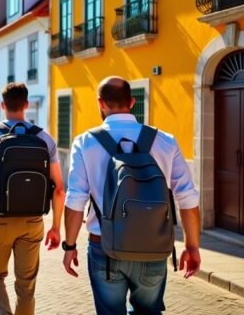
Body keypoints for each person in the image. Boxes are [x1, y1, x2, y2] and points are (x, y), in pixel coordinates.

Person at [62, 76, 201, 314]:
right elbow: (187, 198)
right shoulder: (165, 141)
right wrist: (192, 246)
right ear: (132, 102)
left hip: (103, 245)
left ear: (100, 103)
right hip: (153, 246)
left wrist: (70, 245)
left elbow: (76, 198)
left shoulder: (85, 142)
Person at [0, 82, 65, 315]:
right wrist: (56, 227)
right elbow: (59, 189)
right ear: (26, 105)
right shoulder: (44, 138)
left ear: (3, 105)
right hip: (33, 221)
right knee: (26, 284)